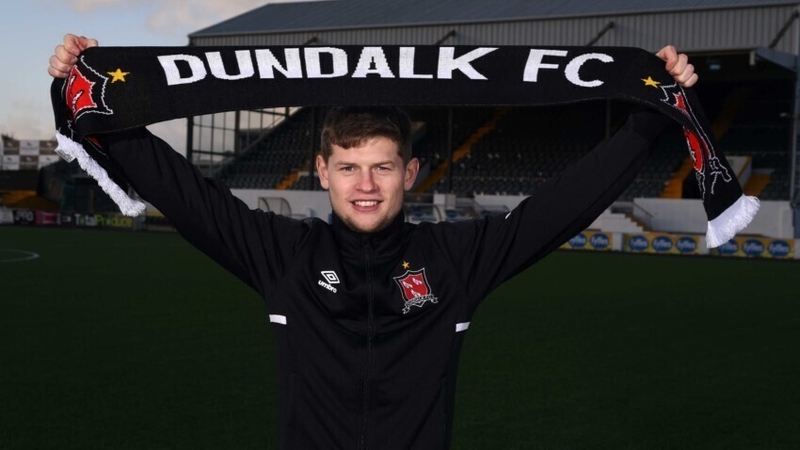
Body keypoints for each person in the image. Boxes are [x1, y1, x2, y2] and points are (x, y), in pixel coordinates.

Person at [49, 34, 696, 449]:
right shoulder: (284, 255)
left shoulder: (456, 261)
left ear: (410, 173)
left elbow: (560, 206)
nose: (366, 185)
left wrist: (650, 118)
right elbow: (181, 189)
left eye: (383, 166)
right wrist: (94, 95)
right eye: (350, 167)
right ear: (322, 172)